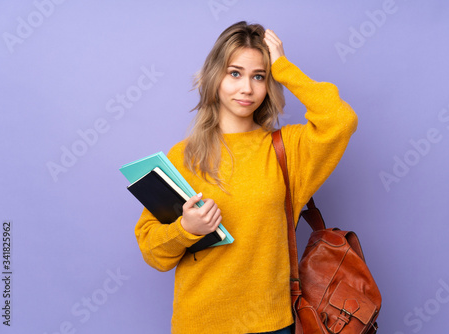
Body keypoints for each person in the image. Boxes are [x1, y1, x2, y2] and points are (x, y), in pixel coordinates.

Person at [135, 21, 358, 334]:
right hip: (201, 323)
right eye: (234, 73)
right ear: (215, 77)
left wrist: (283, 66)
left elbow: (341, 119)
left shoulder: (288, 150)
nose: (247, 88)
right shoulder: (183, 156)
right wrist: (186, 229)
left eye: (259, 76)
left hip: (273, 323)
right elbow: (152, 252)